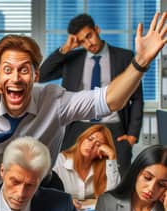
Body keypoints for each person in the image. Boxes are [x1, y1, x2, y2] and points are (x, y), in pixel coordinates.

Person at [0, 12, 166, 193]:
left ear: (35, 76)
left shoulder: (54, 99)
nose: (15, 78)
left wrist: (141, 61)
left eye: (24, 70)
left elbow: (110, 100)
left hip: (38, 189)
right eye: (7, 70)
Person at [39, 14, 143, 177]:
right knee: (68, 179)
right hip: (77, 127)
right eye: (82, 41)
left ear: (97, 30)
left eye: (89, 36)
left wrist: (132, 135)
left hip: (114, 127)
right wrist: (66, 49)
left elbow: (136, 98)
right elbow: (42, 76)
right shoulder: (72, 59)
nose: (88, 43)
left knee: (118, 181)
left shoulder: (124, 57)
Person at [53, 124, 120, 209]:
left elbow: (112, 196)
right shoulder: (58, 161)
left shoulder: (102, 167)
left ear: (102, 152)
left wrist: (111, 157)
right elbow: (45, 192)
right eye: (90, 139)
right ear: (81, 139)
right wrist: (63, 200)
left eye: (98, 144)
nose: (91, 145)